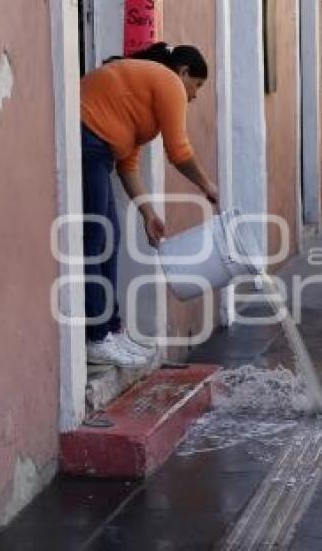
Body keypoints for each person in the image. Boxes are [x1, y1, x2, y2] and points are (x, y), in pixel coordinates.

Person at [79, 42, 219, 367]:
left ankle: (112, 330)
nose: (195, 95)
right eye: (196, 85)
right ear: (183, 72)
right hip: (87, 141)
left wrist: (148, 214)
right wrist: (209, 187)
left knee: (107, 240)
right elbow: (179, 152)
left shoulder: (140, 99)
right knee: (96, 241)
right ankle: (97, 337)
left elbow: (128, 164)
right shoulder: (169, 82)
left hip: (98, 149)